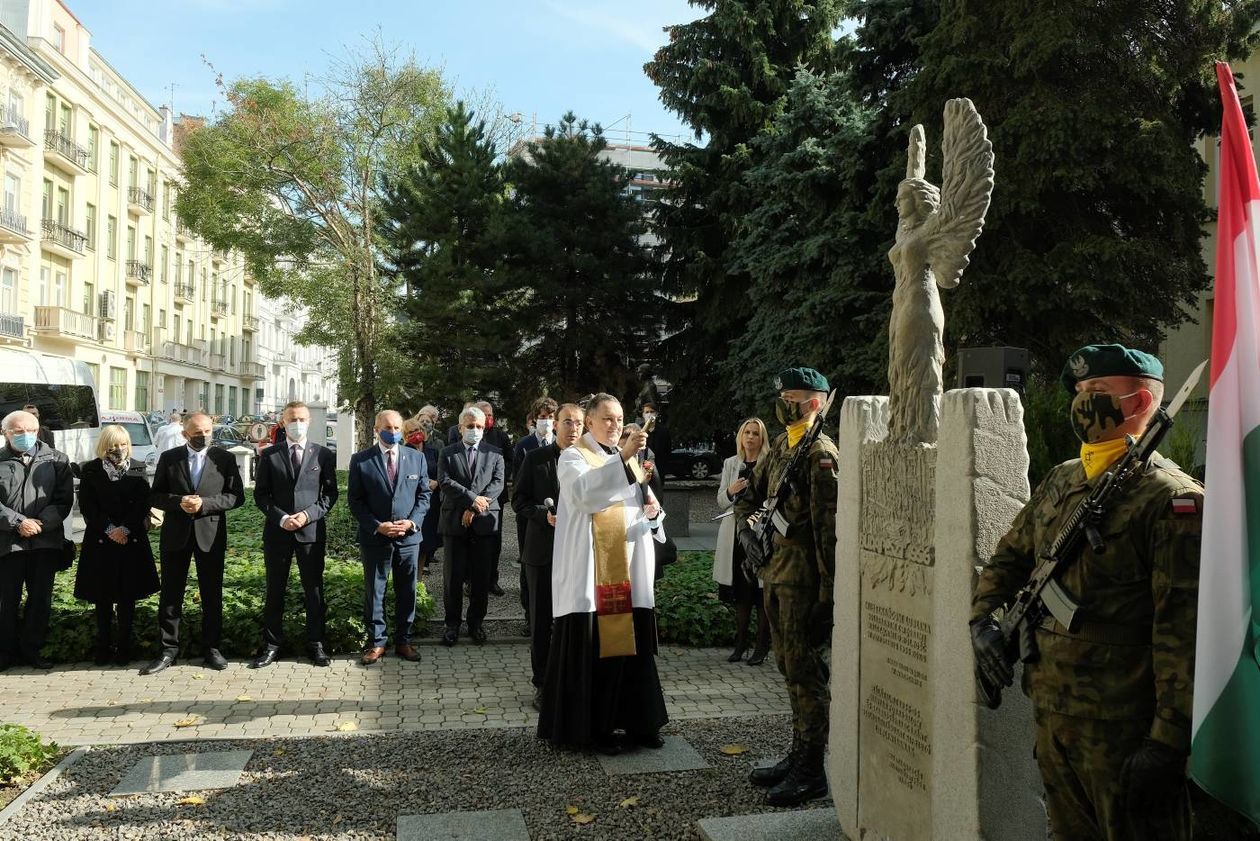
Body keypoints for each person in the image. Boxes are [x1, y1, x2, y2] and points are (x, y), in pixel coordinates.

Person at [970, 344, 1203, 841]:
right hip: (1054, 713)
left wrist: (1167, 744)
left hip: (1124, 727)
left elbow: (1184, 634)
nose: (1082, 401)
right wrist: (984, 621)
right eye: (1079, 391)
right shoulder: (1062, 479)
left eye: (1097, 391)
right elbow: (1010, 555)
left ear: (1140, 403)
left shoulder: (1172, 500)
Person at [538, 393, 668, 754]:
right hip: (591, 578)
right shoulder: (573, 456)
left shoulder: (627, 460)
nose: (614, 426)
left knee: (633, 651)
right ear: (590, 422)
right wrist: (626, 458)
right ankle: (595, 729)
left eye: (619, 418)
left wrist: (653, 512)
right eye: (607, 419)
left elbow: (639, 508)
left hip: (628, 572)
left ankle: (640, 724)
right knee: (595, 652)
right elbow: (585, 496)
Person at [734, 367, 838, 806]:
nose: (784, 403)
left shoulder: (820, 455)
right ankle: (797, 753)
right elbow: (749, 493)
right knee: (787, 669)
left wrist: (828, 596)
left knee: (807, 674)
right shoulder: (782, 445)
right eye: (782, 395)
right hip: (774, 574)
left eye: (792, 396)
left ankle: (812, 769)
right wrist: (746, 532)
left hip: (803, 583)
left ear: (815, 402)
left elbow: (829, 534)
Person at [142, 412, 245, 674]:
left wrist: (205, 505)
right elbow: (156, 495)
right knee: (171, 594)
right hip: (176, 535)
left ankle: (212, 648)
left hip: (210, 534)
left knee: (212, 594)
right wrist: (179, 502)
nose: (203, 436)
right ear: (185, 433)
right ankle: (168, 650)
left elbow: (236, 497)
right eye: (197, 433)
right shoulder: (170, 458)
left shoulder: (224, 459)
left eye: (207, 431)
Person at [251, 401, 339, 668]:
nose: (297, 423)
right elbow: (261, 495)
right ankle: (272, 645)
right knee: (275, 589)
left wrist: (307, 515)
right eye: (292, 419)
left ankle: (316, 644)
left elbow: (329, 495)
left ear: (309, 421)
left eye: (301, 419)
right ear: (283, 422)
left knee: (313, 590)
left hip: (310, 533)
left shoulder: (322, 455)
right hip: (278, 534)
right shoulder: (269, 455)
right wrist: (282, 518)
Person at [347, 410, 431, 665]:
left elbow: (424, 495)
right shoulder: (361, 460)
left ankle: (404, 641)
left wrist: (413, 523)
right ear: (376, 428)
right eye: (388, 427)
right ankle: (377, 642)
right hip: (376, 538)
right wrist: (377, 526)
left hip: (408, 539)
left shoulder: (416, 458)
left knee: (407, 591)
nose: (393, 432)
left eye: (397, 428)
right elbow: (355, 501)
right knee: (376, 591)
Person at [512, 402, 582, 708]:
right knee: (541, 624)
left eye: (579, 423)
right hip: (542, 554)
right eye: (567, 422)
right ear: (555, 424)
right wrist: (543, 514)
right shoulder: (536, 458)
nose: (574, 428)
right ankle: (542, 685)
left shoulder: (592, 462)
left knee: (574, 623)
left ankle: (573, 681)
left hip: (579, 555)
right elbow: (518, 500)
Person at [75, 425, 160, 665]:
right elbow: (88, 506)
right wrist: (110, 529)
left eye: (123, 445)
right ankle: (103, 646)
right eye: (113, 446)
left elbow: (143, 502)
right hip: (101, 540)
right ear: (104, 446)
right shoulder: (90, 470)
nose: (119, 450)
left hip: (130, 539)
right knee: (102, 598)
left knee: (127, 596)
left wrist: (125, 528)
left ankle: (124, 647)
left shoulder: (136, 467)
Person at [0, 410, 74, 670]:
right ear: (5, 433)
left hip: (45, 542)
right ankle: (5, 653)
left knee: (40, 599)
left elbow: (64, 500)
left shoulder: (57, 460)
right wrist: (18, 523)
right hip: (8, 544)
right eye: (18, 431)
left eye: (31, 430)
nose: (25, 436)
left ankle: (32, 651)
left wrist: (39, 524)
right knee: (5, 601)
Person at [437, 405, 504, 646]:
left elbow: (498, 484)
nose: (475, 430)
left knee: (481, 576)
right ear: (460, 428)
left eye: (479, 426)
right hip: (455, 523)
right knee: (453, 578)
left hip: (484, 523)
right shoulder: (448, 452)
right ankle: (452, 624)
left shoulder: (495, 453)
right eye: (470, 426)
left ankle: (476, 623)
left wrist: (475, 507)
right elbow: (445, 482)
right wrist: (471, 499)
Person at [714, 418, 771, 665]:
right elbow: (720, 501)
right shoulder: (731, 464)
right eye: (746, 432)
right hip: (735, 534)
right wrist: (731, 491)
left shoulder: (769, 463)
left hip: (760, 533)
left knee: (760, 593)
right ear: (740, 436)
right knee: (741, 592)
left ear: (762, 438)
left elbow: (773, 500)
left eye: (755, 433)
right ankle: (739, 645)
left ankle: (761, 647)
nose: (750, 437)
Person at [513, 397, 559, 631]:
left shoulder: (567, 447)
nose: (547, 421)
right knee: (529, 565)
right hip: (531, 519)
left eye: (550, 417)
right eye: (542, 417)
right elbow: (519, 489)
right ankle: (531, 617)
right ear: (534, 419)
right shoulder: (524, 445)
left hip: (560, 521)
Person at [475, 400, 513, 597]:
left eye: (490, 415)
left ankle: (492, 580)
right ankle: (470, 581)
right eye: (484, 415)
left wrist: (495, 476)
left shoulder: (500, 436)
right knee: (471, 542)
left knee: (494, 541)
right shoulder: (464, 432)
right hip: (472, 496)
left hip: (496, 497)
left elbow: (509, 460)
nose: (488, 418)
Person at [405, 407, 443, 579]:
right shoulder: (403, 452)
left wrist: (437, 482)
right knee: (410, 542)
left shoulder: (433, 451)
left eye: (419, 430)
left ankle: (419, 581)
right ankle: (407, 579)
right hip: (410, 502)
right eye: (411, 431)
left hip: (431, 501)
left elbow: (443, 472)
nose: (416, 433)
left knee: (426, 542)